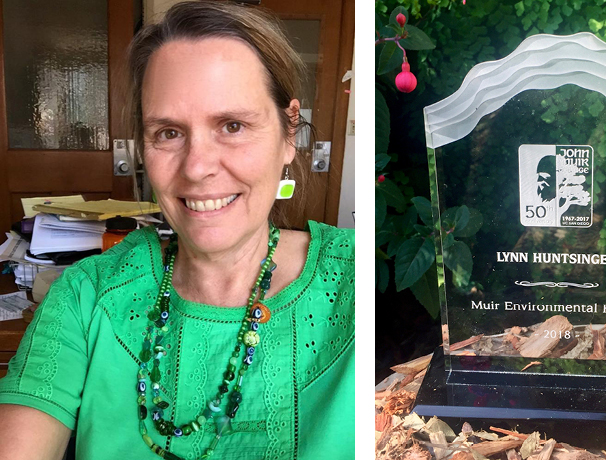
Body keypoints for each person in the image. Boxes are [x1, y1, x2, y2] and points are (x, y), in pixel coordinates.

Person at [0, 2, 355, 459]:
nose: (198, 167)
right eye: (168, 132)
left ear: (289, 133)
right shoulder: (87, 295)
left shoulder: (353, 281)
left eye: (232, 125)